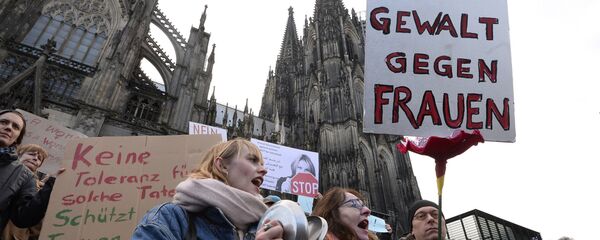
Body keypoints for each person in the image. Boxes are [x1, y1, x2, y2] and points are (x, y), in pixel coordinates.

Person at [132, 139, 284, 240]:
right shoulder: (171, 218)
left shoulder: (265, 226)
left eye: (263, 163)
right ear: (222, 165)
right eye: (253, 160)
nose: (264, 170)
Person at [0, 110, 59, 233]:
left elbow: (24, 217)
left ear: (18, 138)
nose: (8, 127)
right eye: (3, 122)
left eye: (15, 127)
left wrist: (51, 184)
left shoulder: (25, 177)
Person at [2, 144, 49, 240]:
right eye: (31, 154)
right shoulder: (3, 171)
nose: (35, 159)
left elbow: (37, 225)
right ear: (19, 154)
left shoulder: (41, 190)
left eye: (39, 158)